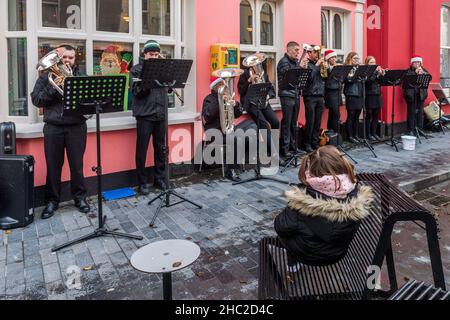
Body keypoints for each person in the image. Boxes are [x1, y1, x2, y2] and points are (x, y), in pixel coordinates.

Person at [274, 145, 374, 267]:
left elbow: (281, 227)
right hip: (338, 252)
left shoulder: (303, 201)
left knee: (288, 231)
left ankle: (294, 265)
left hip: (309, 255)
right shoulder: (355, 192)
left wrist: (295, 199)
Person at [31, 44, 91, 219]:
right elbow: (37, 100)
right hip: (53, 127)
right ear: (58, 58)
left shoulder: (80, 76)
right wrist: (53, 86)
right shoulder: (46, 77)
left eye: (70, 58)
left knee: (77, 166)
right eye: (64, 57)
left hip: (76, 126)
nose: (67, 60)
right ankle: (51, 201)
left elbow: (89, 99)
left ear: (74, 59)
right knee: (53, 166)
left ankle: (79, 198)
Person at [131, 40, 168, 195]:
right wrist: (149, 80)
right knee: (142, 150)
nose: (154, 56)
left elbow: (169, 89)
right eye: (151, 54)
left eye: (156, 54)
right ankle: (142, 182)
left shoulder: (162, 68)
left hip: (161, 113)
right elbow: (136, 92)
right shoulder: (136, 70)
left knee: (160, 148)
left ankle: (159, 179)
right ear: (144, 54)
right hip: (145, 115)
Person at [202, 78, 244, 182]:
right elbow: (208, 115)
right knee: (234, 139)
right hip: (214, 131)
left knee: (242, 133)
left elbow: (238, 114)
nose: (223, 86)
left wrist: (235, 105)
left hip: (227, 130)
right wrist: (219, 100)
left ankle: (235, 164)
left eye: (223, 84)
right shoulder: (209, 99)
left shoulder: (228, 97)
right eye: (220, 84)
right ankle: (231, 170)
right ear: (214, 87)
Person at [238, 61, 279, 158]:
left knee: (275, 122)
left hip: (263, 102)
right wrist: (249, 81)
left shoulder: (263, 74)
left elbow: (271, 89)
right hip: (251, 104)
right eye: (255, 64)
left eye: (259, 63)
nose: (257, 65)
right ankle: (273, 153)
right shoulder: (245, 74)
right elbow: (241, 91)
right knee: (264, 125)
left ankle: (274, 146)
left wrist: (269, 95)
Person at [277, 42, 302, 158]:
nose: (298, 52)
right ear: (289, 50)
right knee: (287, 122)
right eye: (296, 50)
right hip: (286, 95)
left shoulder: (295, 62)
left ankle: (293, 147)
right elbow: (290, 77)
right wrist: (300, 67)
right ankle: (285, 150)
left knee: (293, 122)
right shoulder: (284, 62)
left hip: (295, 94)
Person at [300, 45, 327, 153]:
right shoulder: (306, 64)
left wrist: (325, 68)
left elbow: (325, 77)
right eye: (315, 52)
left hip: (320, 95)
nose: (317, 55)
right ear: (310, 53)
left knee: (317, 121)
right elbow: (309, 78)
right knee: (310, 121)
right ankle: (306, 144)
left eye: (318, 53)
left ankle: (314, 142)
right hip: (310, 96)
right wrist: (316, 66)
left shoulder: (319, 64)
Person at [402, 55, 430, 134]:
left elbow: (428, 79)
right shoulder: (408, 71)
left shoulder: (424, 70)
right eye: (415, 62)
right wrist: (415, 73)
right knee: (411, 112)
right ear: (412, 63)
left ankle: (420, 129)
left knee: (420, 112)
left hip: (421, 95)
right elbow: (405, 80)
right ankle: (410, 129)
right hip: (410, 95)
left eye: (418, 62)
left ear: (421, 63)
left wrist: (422, 73)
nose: (417, 64)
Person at [344, 52, 364, 144]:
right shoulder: (348, 68)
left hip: (359, 94)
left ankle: (356, 135)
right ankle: (350, 136)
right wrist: (354, 72)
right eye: (355, 58)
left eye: (358, 58)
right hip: (351, 94)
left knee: (357, 116)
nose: (357, 60)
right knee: (351, 115)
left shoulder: (359, 69)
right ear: (350, 59)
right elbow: (347, 80)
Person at [365, 56, 385, 141]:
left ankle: (374, 133)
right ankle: (368, 134)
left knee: (376, 115)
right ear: (367, 63)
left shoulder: (377, 72)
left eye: (374, 62)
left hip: (377, 95)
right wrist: (376, 74)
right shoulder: (366, 71)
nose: (373, 64)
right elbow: (368, 81)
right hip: (369, 95)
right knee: (369, 115)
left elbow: (382, 83)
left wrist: (382, 75)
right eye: (371, 62)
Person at [324, 50, 343, 136]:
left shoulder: (337, 67)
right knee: (334, 112)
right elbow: (326, 80)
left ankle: (335, 133)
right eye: (332, 57)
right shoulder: (326, 67)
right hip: (330, 93)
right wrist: (332, 70)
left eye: (335, 57)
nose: (334, 59)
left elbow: (341, 81)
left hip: (337, 92)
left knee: (336, 113)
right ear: (328, 59)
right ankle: (332, 131)